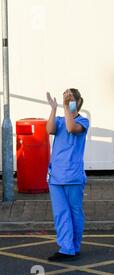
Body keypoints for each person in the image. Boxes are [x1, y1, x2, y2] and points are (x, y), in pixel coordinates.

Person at [46, 89, 89, 262]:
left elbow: (72, 128)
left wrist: (66, 107)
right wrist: (54, 108)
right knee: (61, 214)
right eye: (67, 97)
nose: (68, 100)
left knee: (75, 213)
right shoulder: (59, 120)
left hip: (73, 176)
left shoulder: (83, 121)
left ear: (78, 102)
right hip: (56, 176)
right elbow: (49, 129)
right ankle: (66, 248)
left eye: (71, 98)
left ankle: (75, 246)